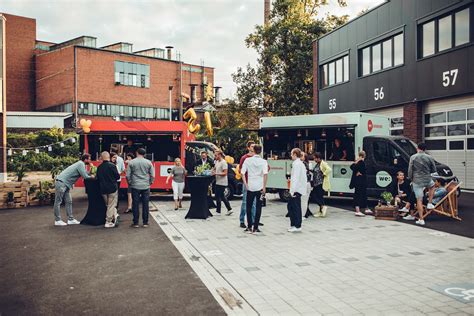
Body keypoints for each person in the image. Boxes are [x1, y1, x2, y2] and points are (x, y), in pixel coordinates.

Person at [53, 154, 93, 226]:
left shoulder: (81, 164)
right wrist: (92, 177)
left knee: (69, 201)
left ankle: (70, 219)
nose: (90, 161)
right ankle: (57, 220)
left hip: (66, 184)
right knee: (58, 202)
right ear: (85, 159)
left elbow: (85, 173)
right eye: (89, 159)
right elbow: (85, 176)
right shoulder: (81, 164)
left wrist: (91, 169)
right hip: (62, 183)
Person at [241, 144, 268, 234]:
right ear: (260, 151)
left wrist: (245, 183)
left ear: (254, 150)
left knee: (248, 206)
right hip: (260, 186)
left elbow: (242, 172)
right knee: (258, 207)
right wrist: (264, 187)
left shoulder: (248, 160)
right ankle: (255, 227)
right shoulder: (263, 162)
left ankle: (249, 226)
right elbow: (265, 174)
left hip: (250, 186)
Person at [408, 142, 436, 226]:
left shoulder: (413, 157)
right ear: (425, 149)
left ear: (417, 148)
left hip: (417, 180)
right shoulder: (429, 157)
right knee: (432, 186)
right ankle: (430, 203)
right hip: (427, 179)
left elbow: (410, 170)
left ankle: (421, 219)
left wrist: (411, 178)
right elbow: (433, 169)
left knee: (419, 200)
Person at [126, 148, 155, 228]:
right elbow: (152, 175)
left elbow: (127, 175)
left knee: (135, 204)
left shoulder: (131, 162)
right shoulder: (148, 162)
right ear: (144, 154)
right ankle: (145, 222)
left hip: (135, 185)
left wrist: (130, 183)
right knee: (145, 204)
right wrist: (150, 182)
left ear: (136, 153)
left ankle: (136, 223)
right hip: (145, 185)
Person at [96, 152, 120, 228]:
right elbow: (117, 177)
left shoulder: (99, 167)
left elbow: (98, 178)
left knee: (108, 205)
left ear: (101, 158)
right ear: (109, 157)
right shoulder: (112, 166)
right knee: (111, 205)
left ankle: (115, 215)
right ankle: (108, 221)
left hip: (103, 189)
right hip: (112, 188)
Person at [287, 148, 307, 233]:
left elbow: (295, 178)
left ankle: (297, 225)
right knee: (292, 206)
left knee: (294, 207)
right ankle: (294, 224)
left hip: (296, 189)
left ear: (295, 154)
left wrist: (292, 191)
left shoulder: (297, 164)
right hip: (298, 188)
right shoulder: (299, 164)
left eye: (291, 154)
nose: (291, 155)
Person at [239, 141, 257, 228]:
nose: (253, 148)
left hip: (255, 182)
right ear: (248, 148)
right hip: (247, 182)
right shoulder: (244, 158)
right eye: (252, 146)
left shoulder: (257, 158)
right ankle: (242, 220)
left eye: (254, 146)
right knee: (245, 202)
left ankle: (253, 220)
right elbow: (240, 170)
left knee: (254, 202)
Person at [350, 151, 373, 217]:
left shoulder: (359, 162)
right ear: (364, 156)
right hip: (360, 182)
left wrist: (356, 163)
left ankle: (365, 207)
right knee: (358, 195)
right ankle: (358, 210)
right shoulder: (361, 162)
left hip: (360, 181)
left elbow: (352, 167)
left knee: (363, 195)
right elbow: (354, 168)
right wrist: (357, 171)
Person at [212, 150, 232, 216]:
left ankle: (218, 211)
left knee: (218, 196)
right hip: (218, 181)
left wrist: (216, 173)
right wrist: (212, 170)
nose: (215, 156)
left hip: (222, 182)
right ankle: (229, 209)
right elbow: (214, 168)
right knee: (222, 196)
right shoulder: (217, 162)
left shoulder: (224, 163)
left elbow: (225, 173)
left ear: (220, 155)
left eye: (216, 155)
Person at [311, 152, 331, 217]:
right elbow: (316, 171)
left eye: (315, 158)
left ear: (318, 158)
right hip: (316, 183)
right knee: (319, 197)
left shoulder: (323, 163)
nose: (314, 160)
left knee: (314, 195)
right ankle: (321, 211)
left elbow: (329, 169)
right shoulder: (318, 164)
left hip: (320, 183)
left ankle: (322, 207)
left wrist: (324, 174)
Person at [301, 152, 313, 219]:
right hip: (308, 183)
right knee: (306, 200)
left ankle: (303, 215)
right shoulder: (309, 164)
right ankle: (305, 214)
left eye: (301, 156)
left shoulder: (302, 164)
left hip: (305, 183)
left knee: (303, 201)